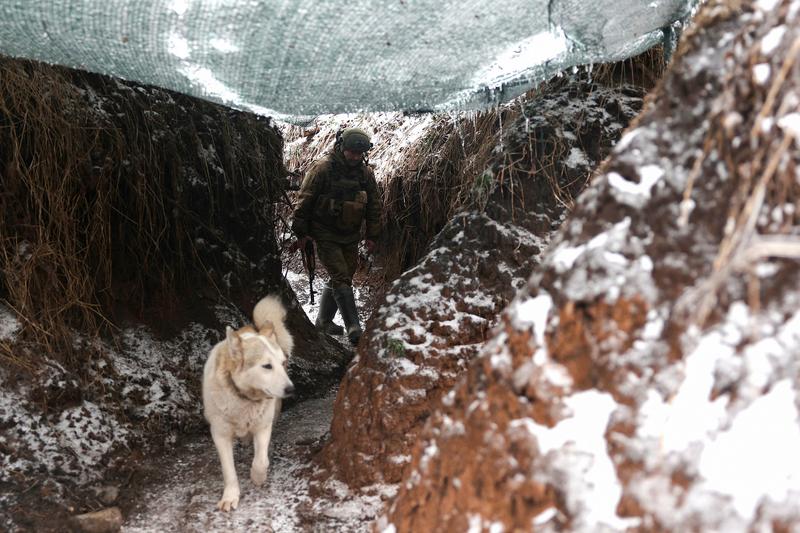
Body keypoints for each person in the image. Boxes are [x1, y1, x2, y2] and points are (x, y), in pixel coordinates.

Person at [291, 127, 381, 344]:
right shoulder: (322, 169)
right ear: (342, 148)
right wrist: (301, 233)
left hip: (350, 234)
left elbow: (374, 206)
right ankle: (354, 329)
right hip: (325, 233)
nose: (355, 157)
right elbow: (304, 201)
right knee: (341, 275)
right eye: (352, 152)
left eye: (359, 154)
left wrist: (372, 235)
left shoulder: (365, 174)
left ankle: (323, 321)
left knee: (345, 276)